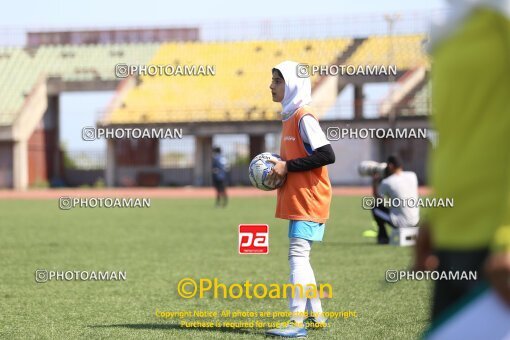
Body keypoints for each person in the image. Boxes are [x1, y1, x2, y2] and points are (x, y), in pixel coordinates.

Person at [414, 1, 510, 326]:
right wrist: (435, 217)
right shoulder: (453, 23)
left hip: (497, 240)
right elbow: (460, 135)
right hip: (455, 236)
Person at [264, 61, 335, 338]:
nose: (271, 86)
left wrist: (287, 167)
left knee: (297, 256)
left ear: (292, 84)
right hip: (302, 198)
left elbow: (327, 155)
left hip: (309, 199)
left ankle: (296, 323)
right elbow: (298, 157)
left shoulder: (303, 116)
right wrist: (279, 164)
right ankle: (315, 316)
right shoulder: (290, 115)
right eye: (272, 80)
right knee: (302, 257)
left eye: (277, 81)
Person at [371, 155, 420, 244]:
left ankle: (383, 237)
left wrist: (374, 181)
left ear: (390, 166)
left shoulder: (387, 182)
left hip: (400, 223)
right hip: (415, 221)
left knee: (375, 206)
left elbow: (377, 197)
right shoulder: (412, 175)